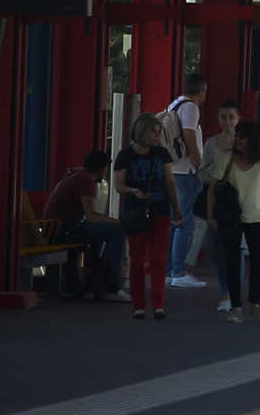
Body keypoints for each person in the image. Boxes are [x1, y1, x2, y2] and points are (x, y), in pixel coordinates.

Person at [216, 120, 260, 321]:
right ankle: (235, 306)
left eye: (242, 136)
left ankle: (255, 303)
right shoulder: (226, 159)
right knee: (232, 262)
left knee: (258, 263)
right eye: (236, 135)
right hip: (231, 218)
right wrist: (212, 217)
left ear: (253, 139)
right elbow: (213, 189)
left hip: (257, 217)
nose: (237, 139)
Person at [113, 112, 175, 319]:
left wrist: (177, 208)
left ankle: (159, 305)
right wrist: (133, 191)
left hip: (161, 210)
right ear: (141, 131)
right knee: (137, 259)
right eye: (153, 132)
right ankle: (138, 305)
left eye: (158, 132)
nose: (156, 136)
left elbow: (169, 183)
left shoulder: (162, 154)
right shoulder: (125, 156)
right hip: (136, 212)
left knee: (158, 259)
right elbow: (119, 185)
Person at [45, 150, 124, 299]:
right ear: (101, 168)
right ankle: (111, 284)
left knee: (99, 234)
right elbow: (92, 217)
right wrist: (119, 222)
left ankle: (94, 279)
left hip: (56, 229)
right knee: (118, 231)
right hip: (63, 230)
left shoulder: (77, 176)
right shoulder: (86, 181)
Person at [161, 74, 208, 287]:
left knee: (175, 221)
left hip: (173, 170)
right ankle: (178, 271)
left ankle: (170, 269)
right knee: (184, 222)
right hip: (184, 171)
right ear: (201, 92)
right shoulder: (191, 108)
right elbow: (189, 135)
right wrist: (198, 162)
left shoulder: (174, 104)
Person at [197, 100, 243, 308]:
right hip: (218, 199)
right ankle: (226, 291)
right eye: (223, 117)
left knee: (238, 249)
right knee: (219, 249)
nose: (227, 122)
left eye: (231, 117)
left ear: (238, 119)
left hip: (240, 200)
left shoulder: (244, 143)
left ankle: (233, 294)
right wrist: (218, 171)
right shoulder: (210, 144)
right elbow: (202, 173)